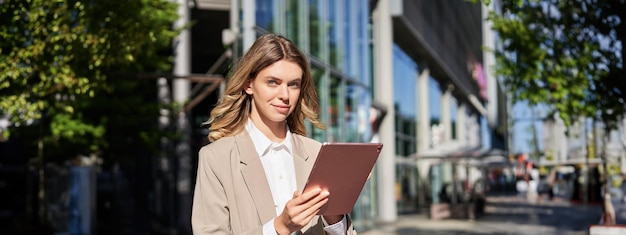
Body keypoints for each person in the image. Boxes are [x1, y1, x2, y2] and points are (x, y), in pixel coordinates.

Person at [191, 33, 356, 235]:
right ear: (248, 84)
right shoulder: (217, 158)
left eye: (293, 84)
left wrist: (334, 216)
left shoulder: (317, 154)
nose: (284, 95)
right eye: (272, 82)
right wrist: (279, 227)